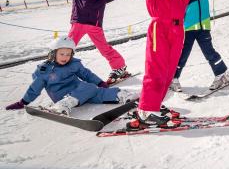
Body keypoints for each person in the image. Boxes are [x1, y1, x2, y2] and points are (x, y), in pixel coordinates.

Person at [129, 0, 199, 129]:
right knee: (156, 70)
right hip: (159, 30)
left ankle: (154, 105)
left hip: (177, 32)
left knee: (169, 73)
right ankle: (146, 110)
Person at [5, 37, 137, 115]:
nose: (65, 57)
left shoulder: (74, 64)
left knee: (96, 91)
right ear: (53, 54)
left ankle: (119, 95)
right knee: (89, 87)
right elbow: (34, 89)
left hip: (80, 92)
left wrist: (100, 83)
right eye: (62, 54)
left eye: (68, 54)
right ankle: (62, 105)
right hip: (62, 96)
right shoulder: (44, 70)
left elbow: (86, 74)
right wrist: (22, 102)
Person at [63, 0, 130, 85]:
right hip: (78, 24)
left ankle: (119, 67)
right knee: (67, 46)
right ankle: (60, 68)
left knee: (104, 48)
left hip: (95, 27)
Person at [171, 0, 229, 92]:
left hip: (203, 29)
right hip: (188, 30)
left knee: (210, 53)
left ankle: (222, 74)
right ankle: (173, 78)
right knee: (183, 54)